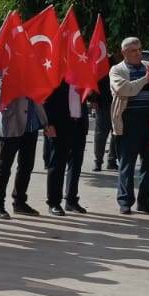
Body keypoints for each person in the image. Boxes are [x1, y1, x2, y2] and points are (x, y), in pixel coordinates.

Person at [109, 38, 149, 215]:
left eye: (139, 49)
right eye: (133, 51)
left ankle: (145, 201)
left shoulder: (148, 66)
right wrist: (147, 78)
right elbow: (125, 90)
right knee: (127, 164)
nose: (138, 53)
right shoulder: (117, 70)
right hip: (128, 122)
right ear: (124, 53)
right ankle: (125, 201)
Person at [0, 96, 44, 219]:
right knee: (4, 166)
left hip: (31, 125)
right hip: (12, 124)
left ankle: (19, 202)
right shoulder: (7, 76)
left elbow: (39, 97)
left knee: (27, 166)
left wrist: (44, 121)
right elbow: (1, 94)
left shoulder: (36, 77)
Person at [43, 81, 88, 216]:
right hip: (60, 124)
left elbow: (90, 96)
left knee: (76, 164)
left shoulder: (82, 73)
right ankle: (54, 202)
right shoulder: (57, 74)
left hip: (79, 123)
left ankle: (71, 200)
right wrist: (48, 123)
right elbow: (46, 99)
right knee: (57, 164)